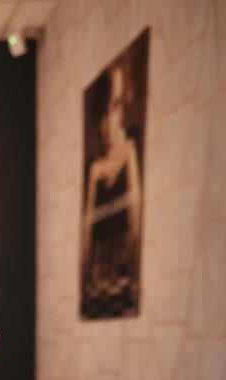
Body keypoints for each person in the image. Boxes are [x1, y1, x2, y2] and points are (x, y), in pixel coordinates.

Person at [81, 62, 142, 317]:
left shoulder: (130, 151)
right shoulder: (94, 169)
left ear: (123, 109)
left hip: (124, 277)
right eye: (102, 114)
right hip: (98, 285)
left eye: (115, 108)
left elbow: (136, 225)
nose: (108, 123)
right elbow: (87, 237)